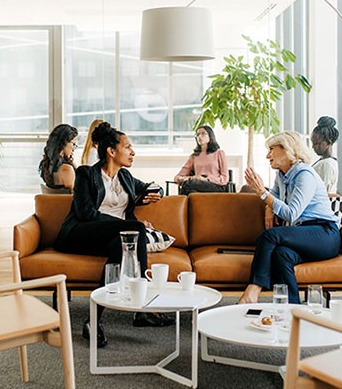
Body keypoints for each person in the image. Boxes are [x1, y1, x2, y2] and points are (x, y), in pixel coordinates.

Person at [55, 122, 172, 348]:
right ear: (111, 151)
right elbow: (86, 213)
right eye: (128, 147)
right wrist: (126, 224)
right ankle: (144, 306)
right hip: (79, 234)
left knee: (123, 245)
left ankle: (93, 321)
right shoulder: (86, 174)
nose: (133, 152)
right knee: (135, 229)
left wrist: (150, 194)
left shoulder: (126, 177)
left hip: (113, 238)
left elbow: (155, 186)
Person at [238, 131, 341, 305]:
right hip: (304, 234)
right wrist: (268, 207)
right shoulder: (282, 175)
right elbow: (274, 198)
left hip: (324, 234)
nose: (267, 155)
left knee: (269, 236)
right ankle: (292, 308)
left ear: (287, 150)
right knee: (281, 254)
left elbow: (292, 213)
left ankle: (252, 291)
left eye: (271, 149)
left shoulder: (304, 175)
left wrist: (261, 192)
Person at [173, 125, 229, 195]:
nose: (199, 136)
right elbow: (177, 177)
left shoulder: (219, 153)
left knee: (188, 185)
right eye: (197, 134)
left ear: (210, 136)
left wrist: (206, 179)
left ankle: (179, 205)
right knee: (192, 192)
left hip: (216, 185)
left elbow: (224, 178)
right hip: (196, 185)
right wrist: (189, 178)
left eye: (203, 133)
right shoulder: (194, 156)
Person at [39, 124, 78, 191]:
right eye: (73, 144)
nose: (73, 149)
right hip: (66, 201)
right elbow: (75, 197)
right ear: (64, 143)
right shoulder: (66, 169)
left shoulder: (46, 165)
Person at [310, 116, 339, 194]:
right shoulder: (326, 161)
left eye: (316, 143)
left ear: (328, 143)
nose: (313, 147)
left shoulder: (327, 164)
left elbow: (324, 192)